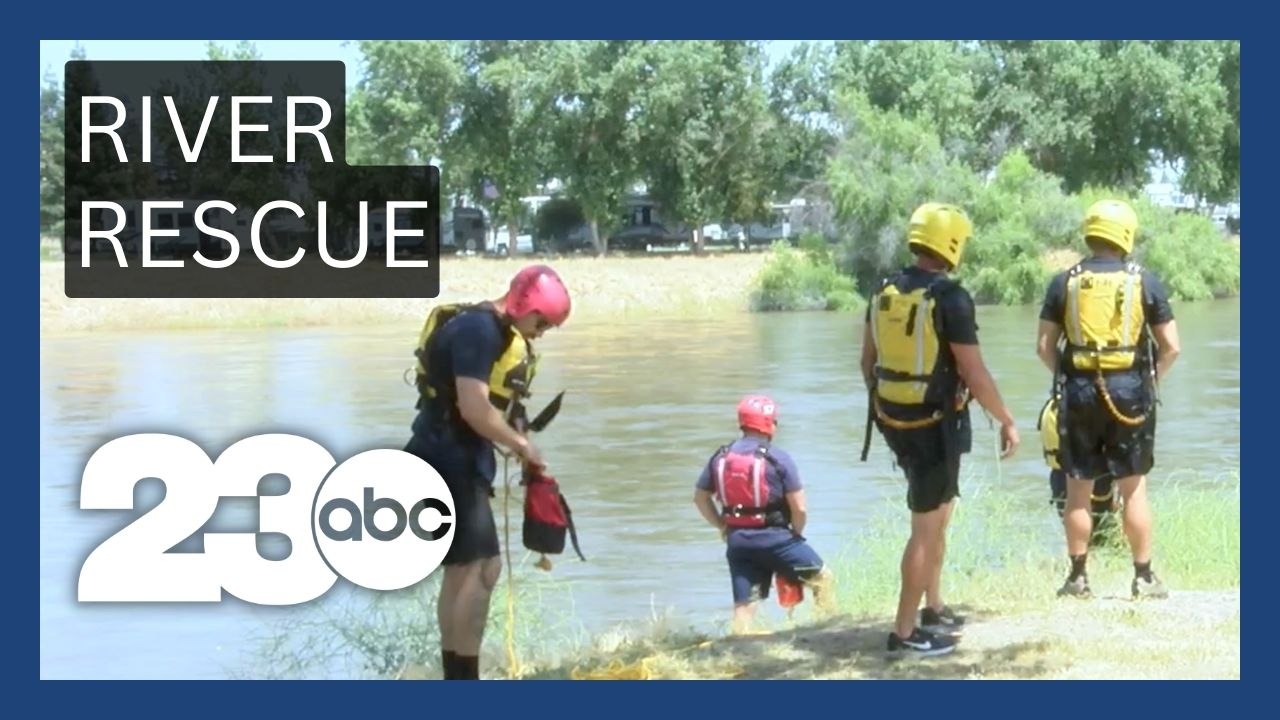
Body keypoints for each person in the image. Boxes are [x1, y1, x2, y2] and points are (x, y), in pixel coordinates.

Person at [860, 202, 1020, 657]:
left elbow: (865, 364)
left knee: (939, 512)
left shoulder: (881, 290)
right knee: (925, 528)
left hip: (896, 419)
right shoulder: (950, 297)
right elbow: (975, 372)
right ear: (951, 242)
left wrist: (895, 411)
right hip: (934, 425)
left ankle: (933, 606)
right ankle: (905, 633)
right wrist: (1007, 419)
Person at [404, 264, 572, 680]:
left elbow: (490, 409)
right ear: (525, 304)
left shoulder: (494, 331)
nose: (541, 332)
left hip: (451, 453)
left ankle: (456, 677)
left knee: (465, 568)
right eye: (542, 322)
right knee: (483, 567)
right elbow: (475, 407)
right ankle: (464, 680)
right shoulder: (478, 332)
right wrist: (523, 447)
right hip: (447, 456)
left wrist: (516, 433)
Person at [1036, 199, 1180, 600]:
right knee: (1133, 488)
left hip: (1079, 391)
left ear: (1091, 232)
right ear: (1126, 234)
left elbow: (1045, 347)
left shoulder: (1063, 281)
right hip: (1130, 393)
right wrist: (1149, 383)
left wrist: (1073, 378)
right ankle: (1143, 577)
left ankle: (1078, 578)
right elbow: (1171, 347)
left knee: (1077, 488)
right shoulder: (1145, 281)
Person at [694, 395, 835, 635]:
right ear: (769, 424)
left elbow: (700, 498)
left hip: (738, 542)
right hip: (778, 539)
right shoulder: (779, 458)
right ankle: (829, 629)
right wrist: (795, 536)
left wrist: (722, 526)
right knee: (824, 579)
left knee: (744, 607)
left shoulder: (721, 456)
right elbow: (799, 508)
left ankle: (738, 649)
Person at [1039, 395, 1119, 541]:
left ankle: (1079, 561)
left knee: (1078, 532)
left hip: (1064, 465)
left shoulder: (1065, 390)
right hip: (1095, 469)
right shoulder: (1117, 392)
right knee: (1102, 535)